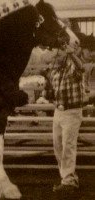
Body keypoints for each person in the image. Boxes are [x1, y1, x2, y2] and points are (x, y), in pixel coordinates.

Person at [48, 46, 84, 195]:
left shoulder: (72, 67)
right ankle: (68, 177)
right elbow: (51, 93)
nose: (57, 54)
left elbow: (80, 68)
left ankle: (68, 180)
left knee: (67, 145)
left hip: (72, 111)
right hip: (59, 111)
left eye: (60, 52)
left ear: (66, 54)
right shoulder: (55, 73)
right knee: (58, 146)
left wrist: (71, 53)